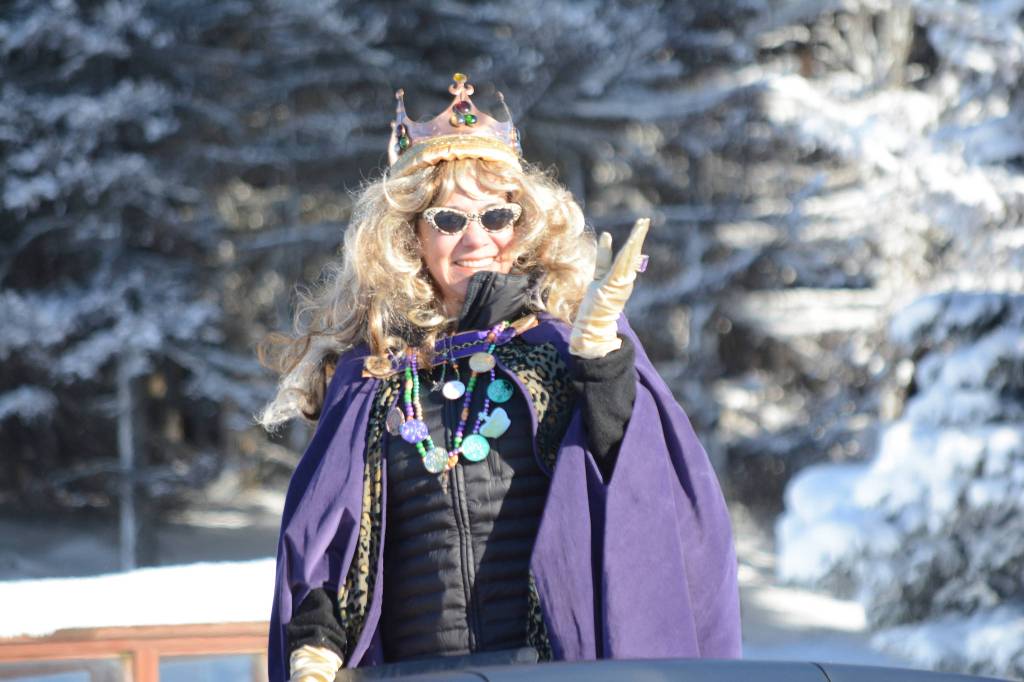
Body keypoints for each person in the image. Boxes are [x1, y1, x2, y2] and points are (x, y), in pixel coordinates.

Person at [257, 73, 741, 682]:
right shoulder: (372, 377)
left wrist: (603, 364)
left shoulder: (560, 352)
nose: (477, 237)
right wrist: (314, 646)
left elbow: (636, 485)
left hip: (546, 670)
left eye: (497, 214)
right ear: (411, 233)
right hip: (415, 673)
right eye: (449, 219)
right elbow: (329, 541)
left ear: (525, 225)